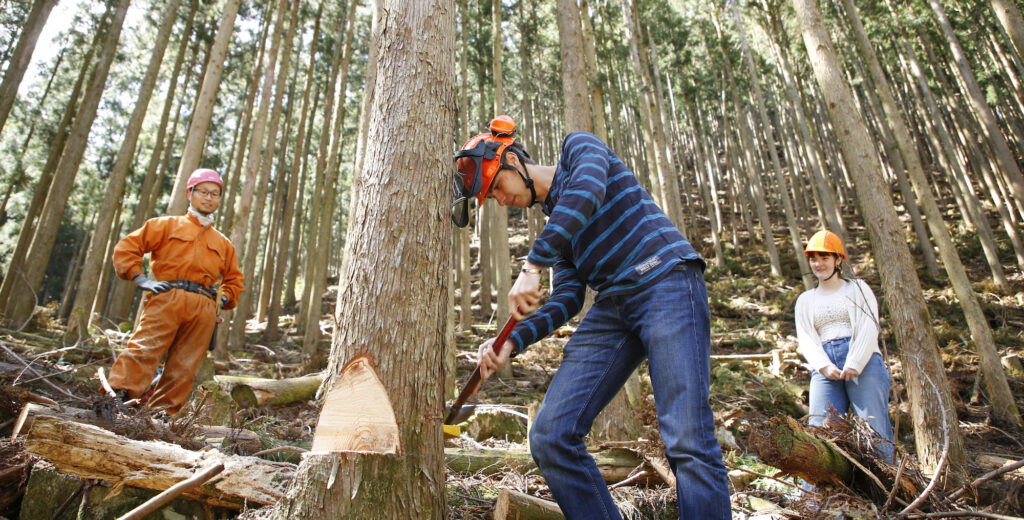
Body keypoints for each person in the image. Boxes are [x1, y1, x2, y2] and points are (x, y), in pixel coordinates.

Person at [452, 116, 730, 519]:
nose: (499, 199)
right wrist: (510, 342)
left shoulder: (578, 150)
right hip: (615, 307)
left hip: (666, 280)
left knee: (687, 437)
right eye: (490, 197)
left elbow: (586, 193)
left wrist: (532, 265)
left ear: (513, 159)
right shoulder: (557, 231)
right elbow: (566, 300)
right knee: (550, 435)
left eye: (495, 186)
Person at [106, 168, 244, 415]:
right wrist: (140, 279)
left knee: (185, 366)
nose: (209, 198)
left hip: (203, 307)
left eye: (215, 194)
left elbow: (234, 279)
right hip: (167, 297)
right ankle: (117, 398)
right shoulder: (165, 225)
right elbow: (128, 248)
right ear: (189, 193)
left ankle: (161, 415)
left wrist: (222, 298)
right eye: (203, 191)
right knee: (144, 348)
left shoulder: (224, 243)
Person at [795, 230, 894, 461]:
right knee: (820, 431)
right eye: (814, 259)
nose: (818, 264)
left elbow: (869, 327)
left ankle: (885, 493)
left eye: (825, 258)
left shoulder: (857, 288)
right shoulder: (805, 300)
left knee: (874, 429)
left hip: (864, 360)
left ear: (838, 260)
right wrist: (823, 366)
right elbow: (806, 339)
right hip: (825, 366)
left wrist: (855, 363)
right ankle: (814, 497)